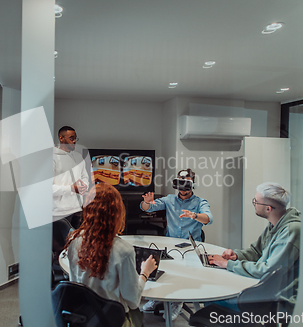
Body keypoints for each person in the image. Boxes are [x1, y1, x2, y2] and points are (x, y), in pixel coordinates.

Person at [64, 183, 157, 327]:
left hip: (82, 319)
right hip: (111, 321)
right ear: (117, 212)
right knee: (137, 315)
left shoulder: (73, 241)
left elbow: (74, 284)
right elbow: (133, 301)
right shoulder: (124, 250)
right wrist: (145, 272)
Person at [208, 182, 300, 314]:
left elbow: (268, 270)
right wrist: (237, 256)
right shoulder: (275, 224)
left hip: (278, 299)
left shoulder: (291, 231)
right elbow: (256, 251)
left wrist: (228, 264)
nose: (254, 204)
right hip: (266, 289)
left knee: (213, 297)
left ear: (268, 208)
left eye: (256, 201)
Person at [139, 168, 213, 320]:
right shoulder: (169, 200)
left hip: (191, 249)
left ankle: (177, 302)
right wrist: (146, 203)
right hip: (170, 244)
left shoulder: (200, 202)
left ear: (193, 185)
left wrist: (195, 215)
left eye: (185, 185)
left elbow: (208, 219)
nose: (182, 189)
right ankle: (157, 298)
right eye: (179, 184)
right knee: (160, 267)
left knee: (182, 273)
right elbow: (148, 208)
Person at [52, 126, 89, 257]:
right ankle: (59, 275)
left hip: (77, 210)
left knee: (77, 248)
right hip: (59, 212)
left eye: (75, 138)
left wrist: (84, 186)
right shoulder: (52, 158)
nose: (74, 141)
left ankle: (74, 275)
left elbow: (85, 177)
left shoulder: (78, 157)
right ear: (61, 138)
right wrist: (71, 188)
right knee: (61, 251)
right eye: (71, 138)